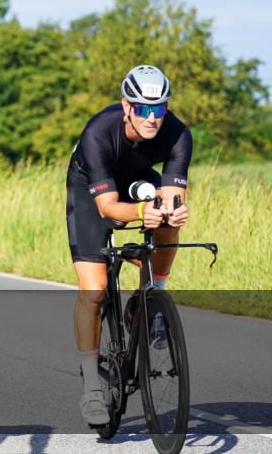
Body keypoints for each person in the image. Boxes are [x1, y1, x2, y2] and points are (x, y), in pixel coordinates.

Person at [66, 65, 191, 425]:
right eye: (143, 109)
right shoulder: (98, 134)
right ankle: (91, 386)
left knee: (168, 216)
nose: (152, 118)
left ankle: (152, 300)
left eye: (160, 109)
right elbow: (107, 210)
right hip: (91, 190)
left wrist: (171, 211)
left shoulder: (178, 134)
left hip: (136, 177)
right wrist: (140, 211)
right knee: (94, 290)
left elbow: (173, 193)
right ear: (126, 106)